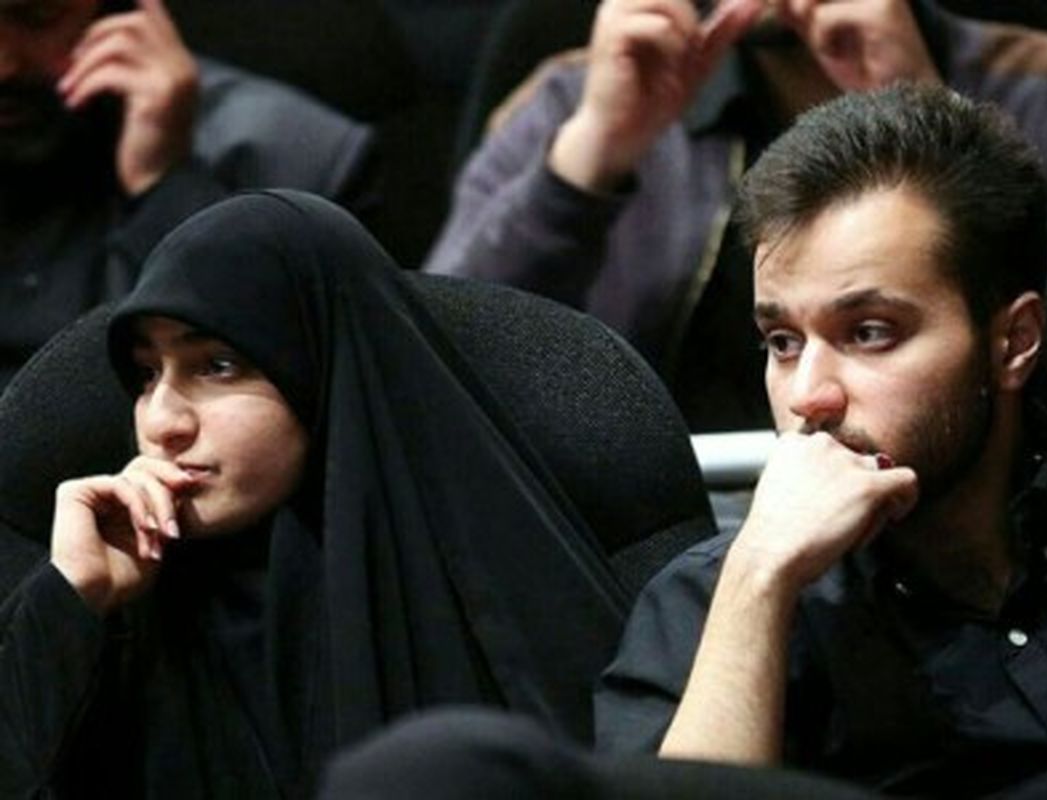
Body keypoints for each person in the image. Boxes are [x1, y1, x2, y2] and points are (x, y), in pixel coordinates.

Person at [319, 83, 1047, 799]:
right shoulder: (716, 606)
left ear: (1012, 343)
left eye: (870, 333)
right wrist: (760, 581)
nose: (809, 396)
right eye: (781, 341)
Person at [0, 191, 629, 797]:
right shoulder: (118, 612)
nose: (162, 422)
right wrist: (70, 601)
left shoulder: (494, 601)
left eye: (217, 366)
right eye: (146, 374)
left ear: (322, 372)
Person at [424, 0, 1047, 432]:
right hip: (655, 534)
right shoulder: (572, 100)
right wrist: (589, 158)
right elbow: (430, 368)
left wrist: (928, 116)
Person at [0, 0, 377, 390]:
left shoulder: (293, 158)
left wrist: (163, 185)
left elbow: (261, 387)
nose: (5, 65)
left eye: (39, 17)